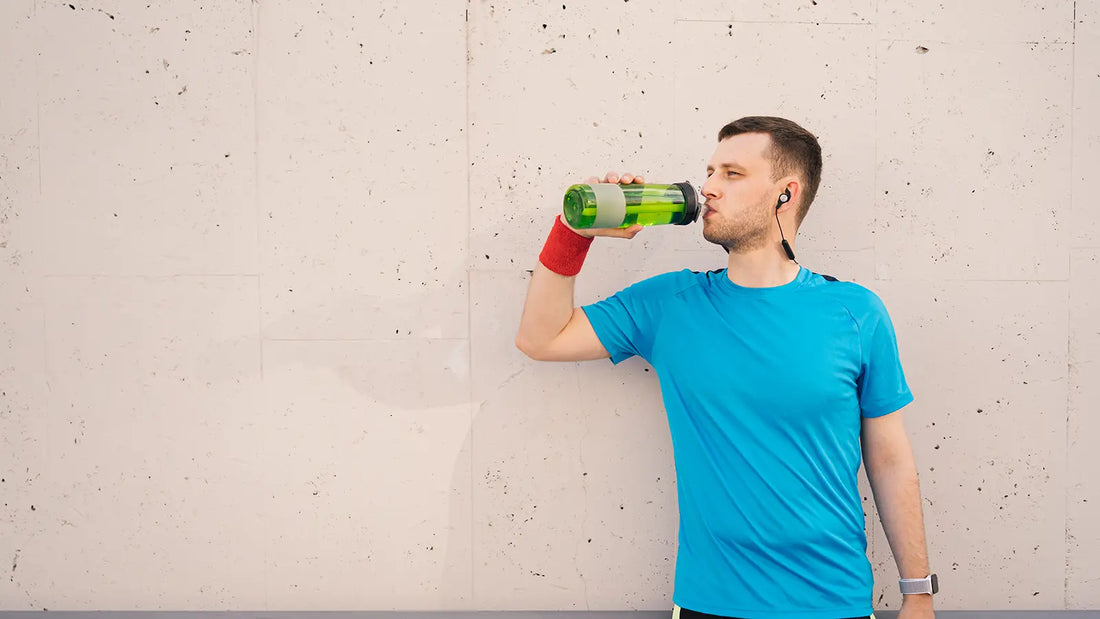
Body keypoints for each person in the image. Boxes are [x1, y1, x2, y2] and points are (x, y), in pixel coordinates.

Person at [515, 116, 937, 619]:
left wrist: (917, 593)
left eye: (732, 174)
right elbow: (541, 338)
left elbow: (890, 460)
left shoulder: (856, 312)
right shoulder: (670, 304)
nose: (708, 188)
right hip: (709, 605)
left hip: (833, 603)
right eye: (710, 172)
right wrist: (574, 230)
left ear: (786, 192)